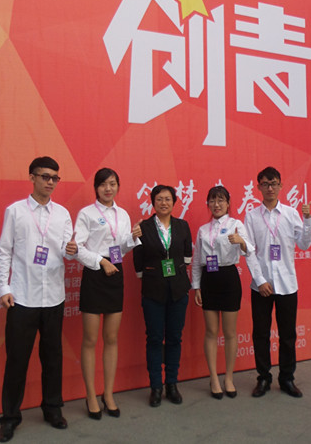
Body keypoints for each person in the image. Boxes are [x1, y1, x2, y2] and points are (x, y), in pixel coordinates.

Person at [0, 157, 77, 443]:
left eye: (55, 178)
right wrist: (3, 287)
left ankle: (52, 409)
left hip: (53, 297)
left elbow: (67, 253)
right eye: (45, 176)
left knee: (53, 358)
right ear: (32, 177)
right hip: (22, 297)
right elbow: (4, 251)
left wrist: (72, 250)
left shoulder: (62, 214)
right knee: (17, 360)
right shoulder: (15, 211)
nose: (50, 182)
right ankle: (9, 418)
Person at [72, 168, 142, 419]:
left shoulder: (122, 214)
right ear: (96, 188)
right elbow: (77, 248)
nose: (108, 189)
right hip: (95, 274)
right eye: (103, 184)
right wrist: (100, 262)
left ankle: (108, 393)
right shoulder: (86, 214)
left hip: (116, 273)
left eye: (112, 184)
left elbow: (120, 248)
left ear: (118, 186)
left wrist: (132, 238)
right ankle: (91, 395)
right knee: (90, 340)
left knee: (111, 338)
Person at [244, 166, 311, 398]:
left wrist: (307, 219)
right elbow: (249, 251)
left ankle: (287, 379)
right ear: (258, 187)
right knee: (261, 334)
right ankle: (263, 378)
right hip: (261, 286)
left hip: (287, 284)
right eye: (265, 184)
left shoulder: (291, 214)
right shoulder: (251, 216)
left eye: (273, 183)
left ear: (281, 186)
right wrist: (260, 280)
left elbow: (304, 244)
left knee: (287, 335)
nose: (270, 188)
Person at [133, 185, 192, 407]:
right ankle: (156, 386)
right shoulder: (143, 227)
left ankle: (172, 384)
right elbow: (138, 258)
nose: (164, 203)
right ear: (153, 202)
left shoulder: (182, 225)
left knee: (175, 338)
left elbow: (187, 255)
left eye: (168, 199)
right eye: (159, 199)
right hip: (153, 290)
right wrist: (148, 275)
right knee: (155, 339)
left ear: (174, 202)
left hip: (178, 290)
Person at [192, 186, 253, 399]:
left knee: (230, 333)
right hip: (208, 279)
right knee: (211, 331)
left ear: (228, 203)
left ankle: (228, 377)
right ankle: (214, 378)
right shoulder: (203, 230)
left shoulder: (236, 225)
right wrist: (196, 287)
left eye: (220, 200)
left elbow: (250, 250)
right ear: (208, 204)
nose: (216, 205)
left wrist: (241, 241)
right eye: (212, 200)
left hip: (228, 278)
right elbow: (197, 260)